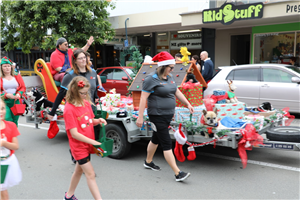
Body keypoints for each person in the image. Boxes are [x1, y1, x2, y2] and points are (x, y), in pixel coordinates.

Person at [136, 51, 194, 182]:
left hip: (167, 115)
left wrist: (187, 104)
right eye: (170, 67)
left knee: (156, 139)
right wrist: (140, 117)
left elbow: (177, 91)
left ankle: (148, 161)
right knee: (166, 142)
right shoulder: (151, 79)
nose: (172, 70)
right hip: (157, 115)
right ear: (163, 66)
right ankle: (177, 173)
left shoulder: (170, 77)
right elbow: (143, 98)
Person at [63, 76, 107, 200]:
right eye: (82, 93)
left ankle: (69, 196)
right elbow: (74, 134)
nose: (84, 95)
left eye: (86, 92)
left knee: (79, 171)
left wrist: (98, 120)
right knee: (91, 174)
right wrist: (94, 142)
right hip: (78, 147)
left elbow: (89, 120)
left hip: (87, 144)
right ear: (73, 90)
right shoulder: (69, 109)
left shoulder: (86, 103)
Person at [47, 49, 100, 140]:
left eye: (84, 57)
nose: (84, 60)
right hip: (76, 112)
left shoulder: (93, 72)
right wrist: (53, 111)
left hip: (90, 110)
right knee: (79, 140)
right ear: (75, 61)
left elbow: (93, 88)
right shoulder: (70, 75)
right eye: (80, 58)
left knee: (91, 137)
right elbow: (61, 94)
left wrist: (96, 96)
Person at [0, 98, 22, 200]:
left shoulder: (11, 125)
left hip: (6, 163)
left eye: (2, 108)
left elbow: (16, 146)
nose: (1, 111)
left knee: (3, 193)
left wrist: (4, 143)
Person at [0, 57, 26, 126]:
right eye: (4, 66)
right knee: (8, 119)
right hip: (4, 101)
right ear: (1, 68)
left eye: (8, 66)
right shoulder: (0, 77)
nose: (7, 68)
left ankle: (13, 136)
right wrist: (6, 95)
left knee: (15, 121)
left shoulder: (17, 75)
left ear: (11, 67)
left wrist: (19, 94)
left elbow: (23, 87)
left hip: (15, 100)